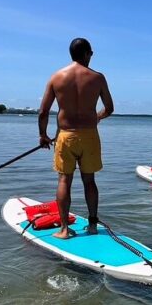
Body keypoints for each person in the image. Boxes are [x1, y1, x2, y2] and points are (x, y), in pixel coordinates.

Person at [38, 38, 114, 239]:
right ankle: (92, 225)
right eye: (91, 53)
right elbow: (110, 108)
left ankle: (63, 229)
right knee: (89, 181)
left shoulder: (57, 77)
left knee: (64, 180)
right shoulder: (97, 78)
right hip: (89, 136)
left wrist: (43, 135)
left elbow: (43, 111)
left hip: (66, 135)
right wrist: (96, 118)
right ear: (87, 53)